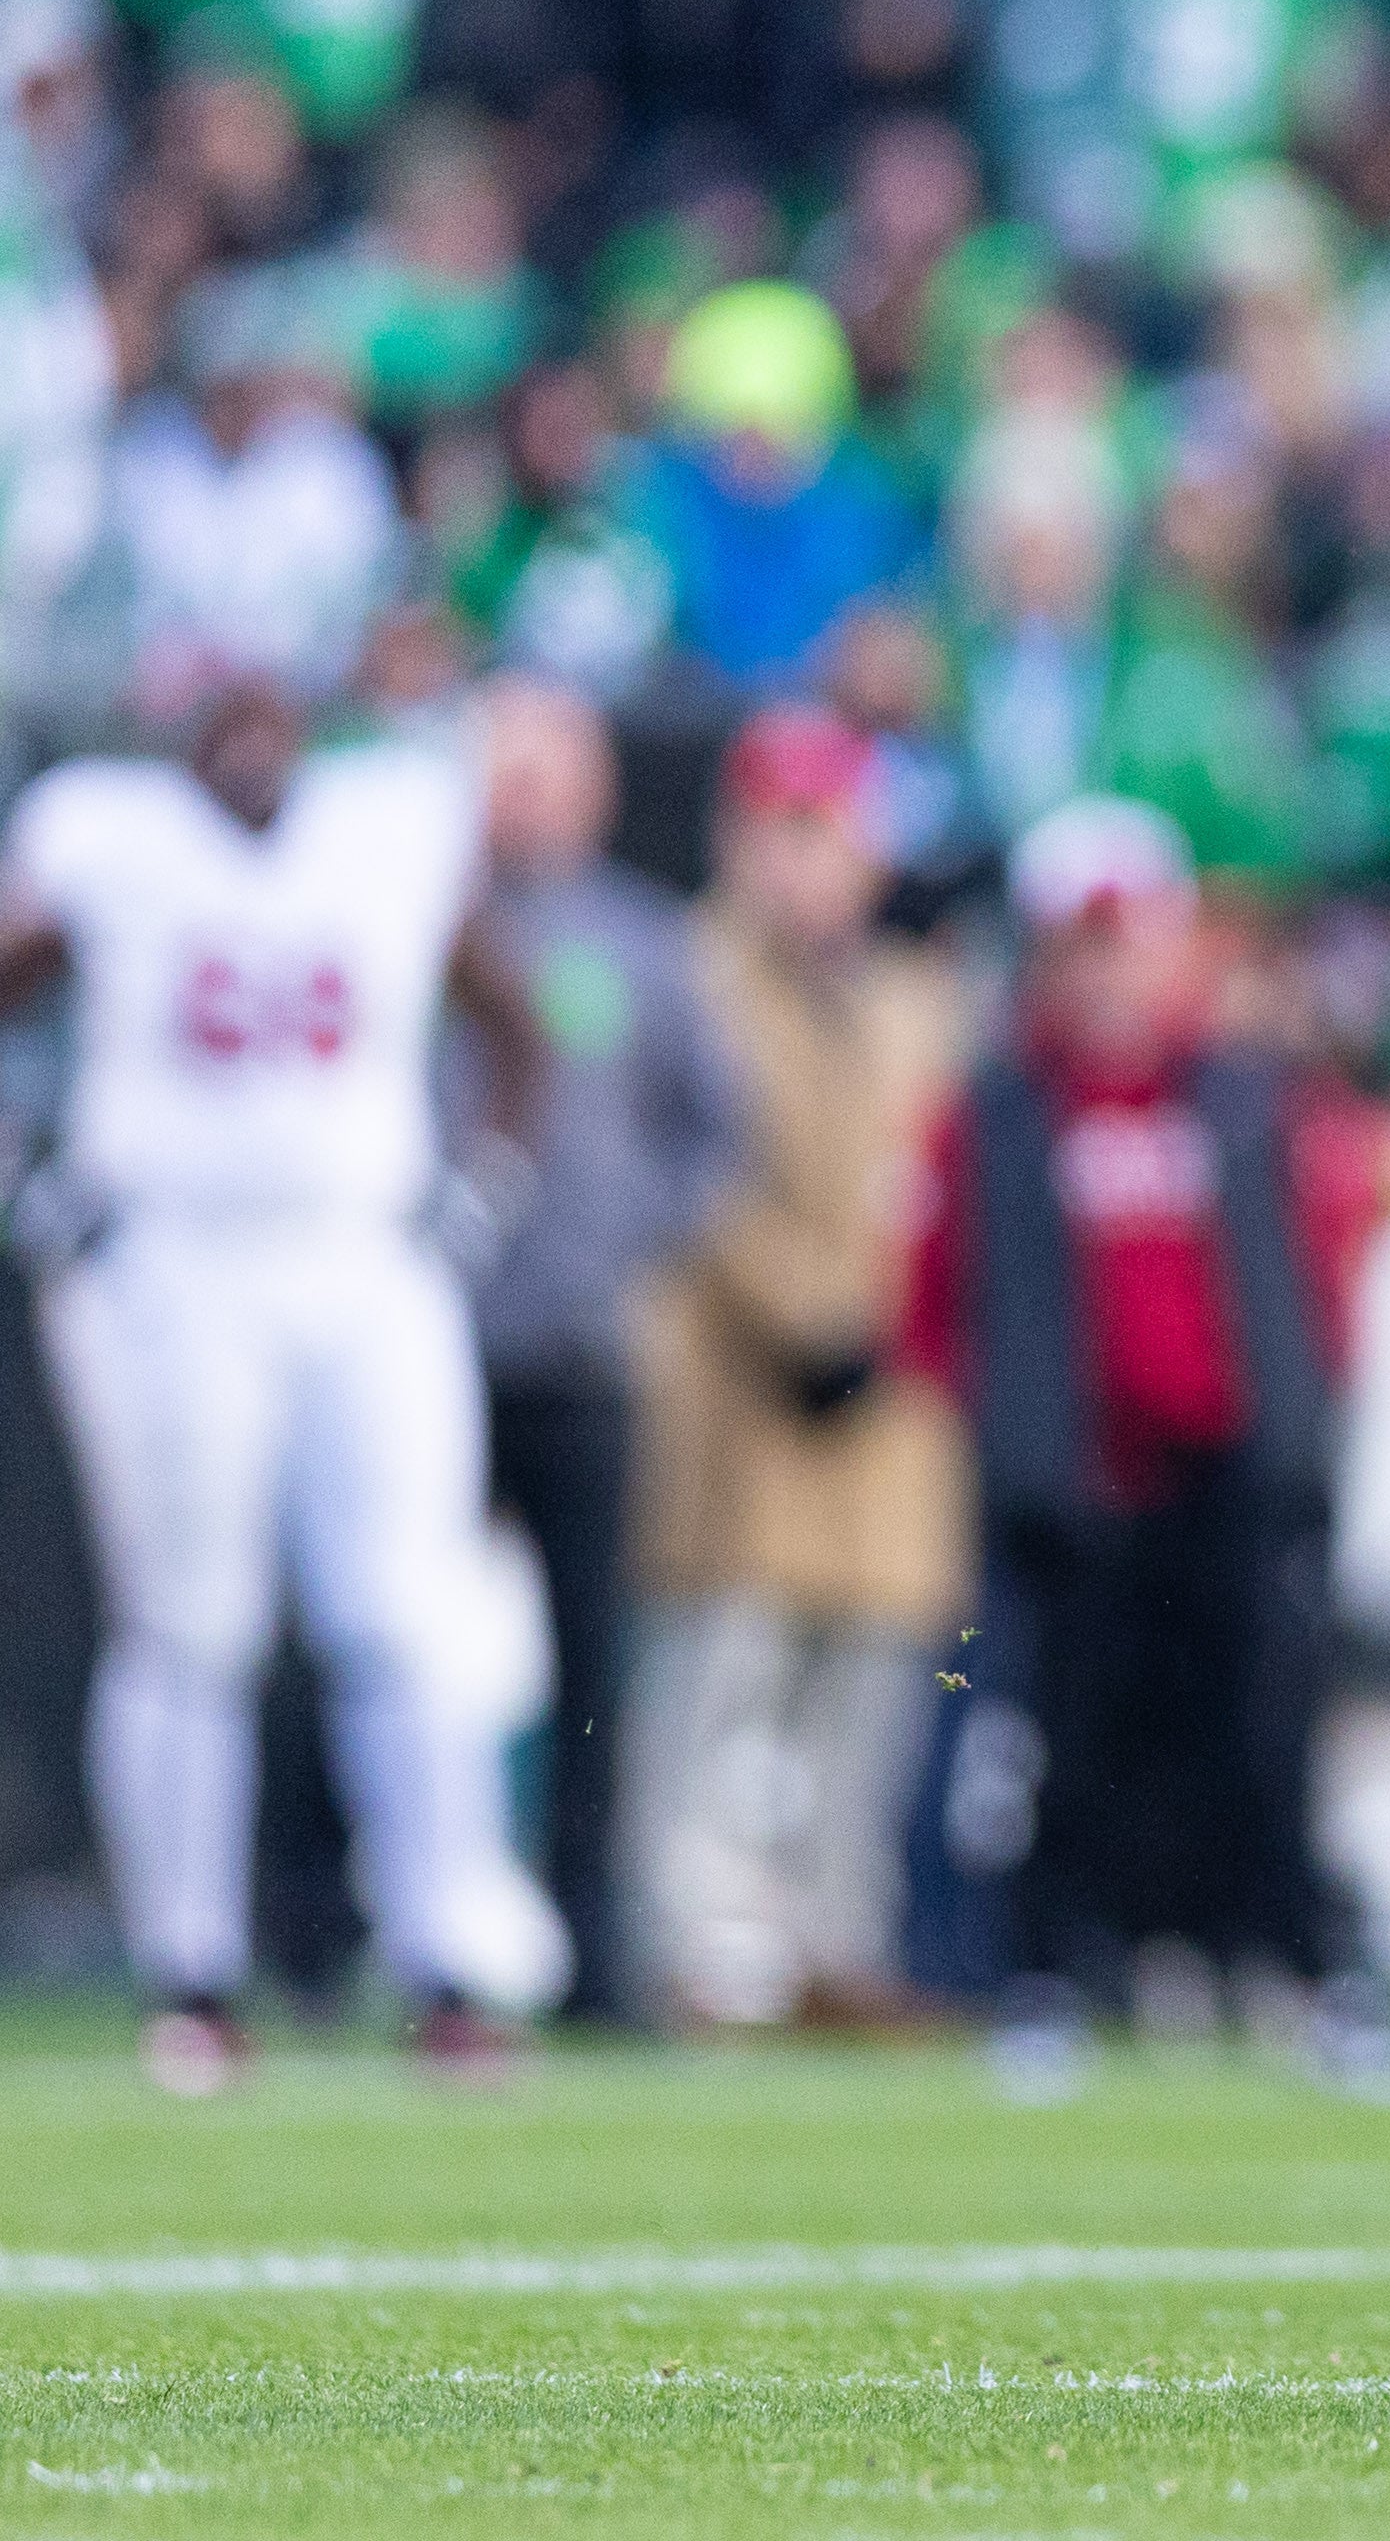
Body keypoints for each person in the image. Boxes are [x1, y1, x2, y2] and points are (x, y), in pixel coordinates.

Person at [0, 674, 563, 2088]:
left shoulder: (394, 821)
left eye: (268, 701)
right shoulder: (103, 833)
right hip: (172, 1269)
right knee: (190, 1623)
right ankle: (190, 1972)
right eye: (217, 703)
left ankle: (452, 1965)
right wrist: (33, 1184)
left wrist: (482, 1193)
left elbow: (516, 1018)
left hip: (364, 1258)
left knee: (405, 1611)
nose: (247, 734)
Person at [902, 795, 1390, 2095]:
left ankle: (1302, 1971)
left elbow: (1317, 1269)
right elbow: (940, 1289)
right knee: (1061, 1744)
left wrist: (1306, 1431)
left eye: (1125, 941)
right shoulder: (1005, 1107)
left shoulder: (1245, 1096)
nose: (1108, 973)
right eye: (1082, 945)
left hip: (1230, 1477)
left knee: (1265, 1732)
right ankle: (1049, 1977)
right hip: (1076, 1488)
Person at [636, 705, 966, 2029]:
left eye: (830, 834)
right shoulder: (690, 978)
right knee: (724, 1679)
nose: (811, 863)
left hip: (895, 1402)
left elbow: (940, 1186)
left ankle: (839, 1946)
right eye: (788, 833)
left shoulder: (916, 996)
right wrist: (806, 1312)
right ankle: (697, 1951)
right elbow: (689, 1179)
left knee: (869, 1701)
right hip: (744, 1392)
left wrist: (894, 1322)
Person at [462, 679, 741, 2025]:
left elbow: (709, 1128)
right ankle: (349, 1926)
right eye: (504, 769)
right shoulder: (421, 921)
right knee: (382, 1649)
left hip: (576, 1345)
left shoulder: (633, 941)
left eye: (547, 770)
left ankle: (589, 1949)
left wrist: (628, 1239)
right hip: (429, 1340)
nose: (526, 797)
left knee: (592, 1668)